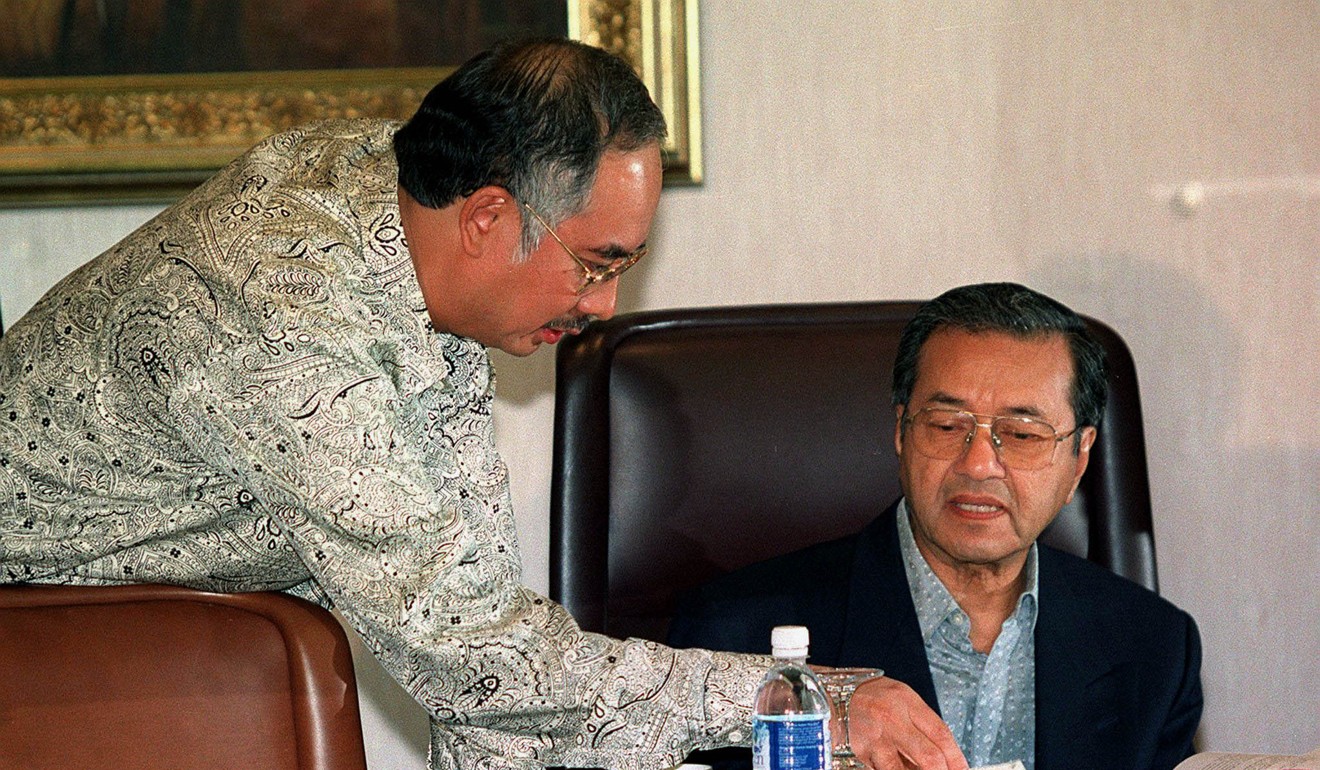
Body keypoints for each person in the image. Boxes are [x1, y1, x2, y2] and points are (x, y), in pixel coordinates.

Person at [0, 36, 964, 770]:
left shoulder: (399, 218)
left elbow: (489, 646)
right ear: (489, 217)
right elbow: (471, 658)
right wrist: (796, 701)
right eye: (595, 264)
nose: (603, 307)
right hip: (57, 658)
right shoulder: (284, 323)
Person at [669, 283, 1203, 770]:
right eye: (948, 426)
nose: (978, 465)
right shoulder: (732, 642)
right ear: (901, 431)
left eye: (1021, 435)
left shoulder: (1153, 652)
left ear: (1079, 460)